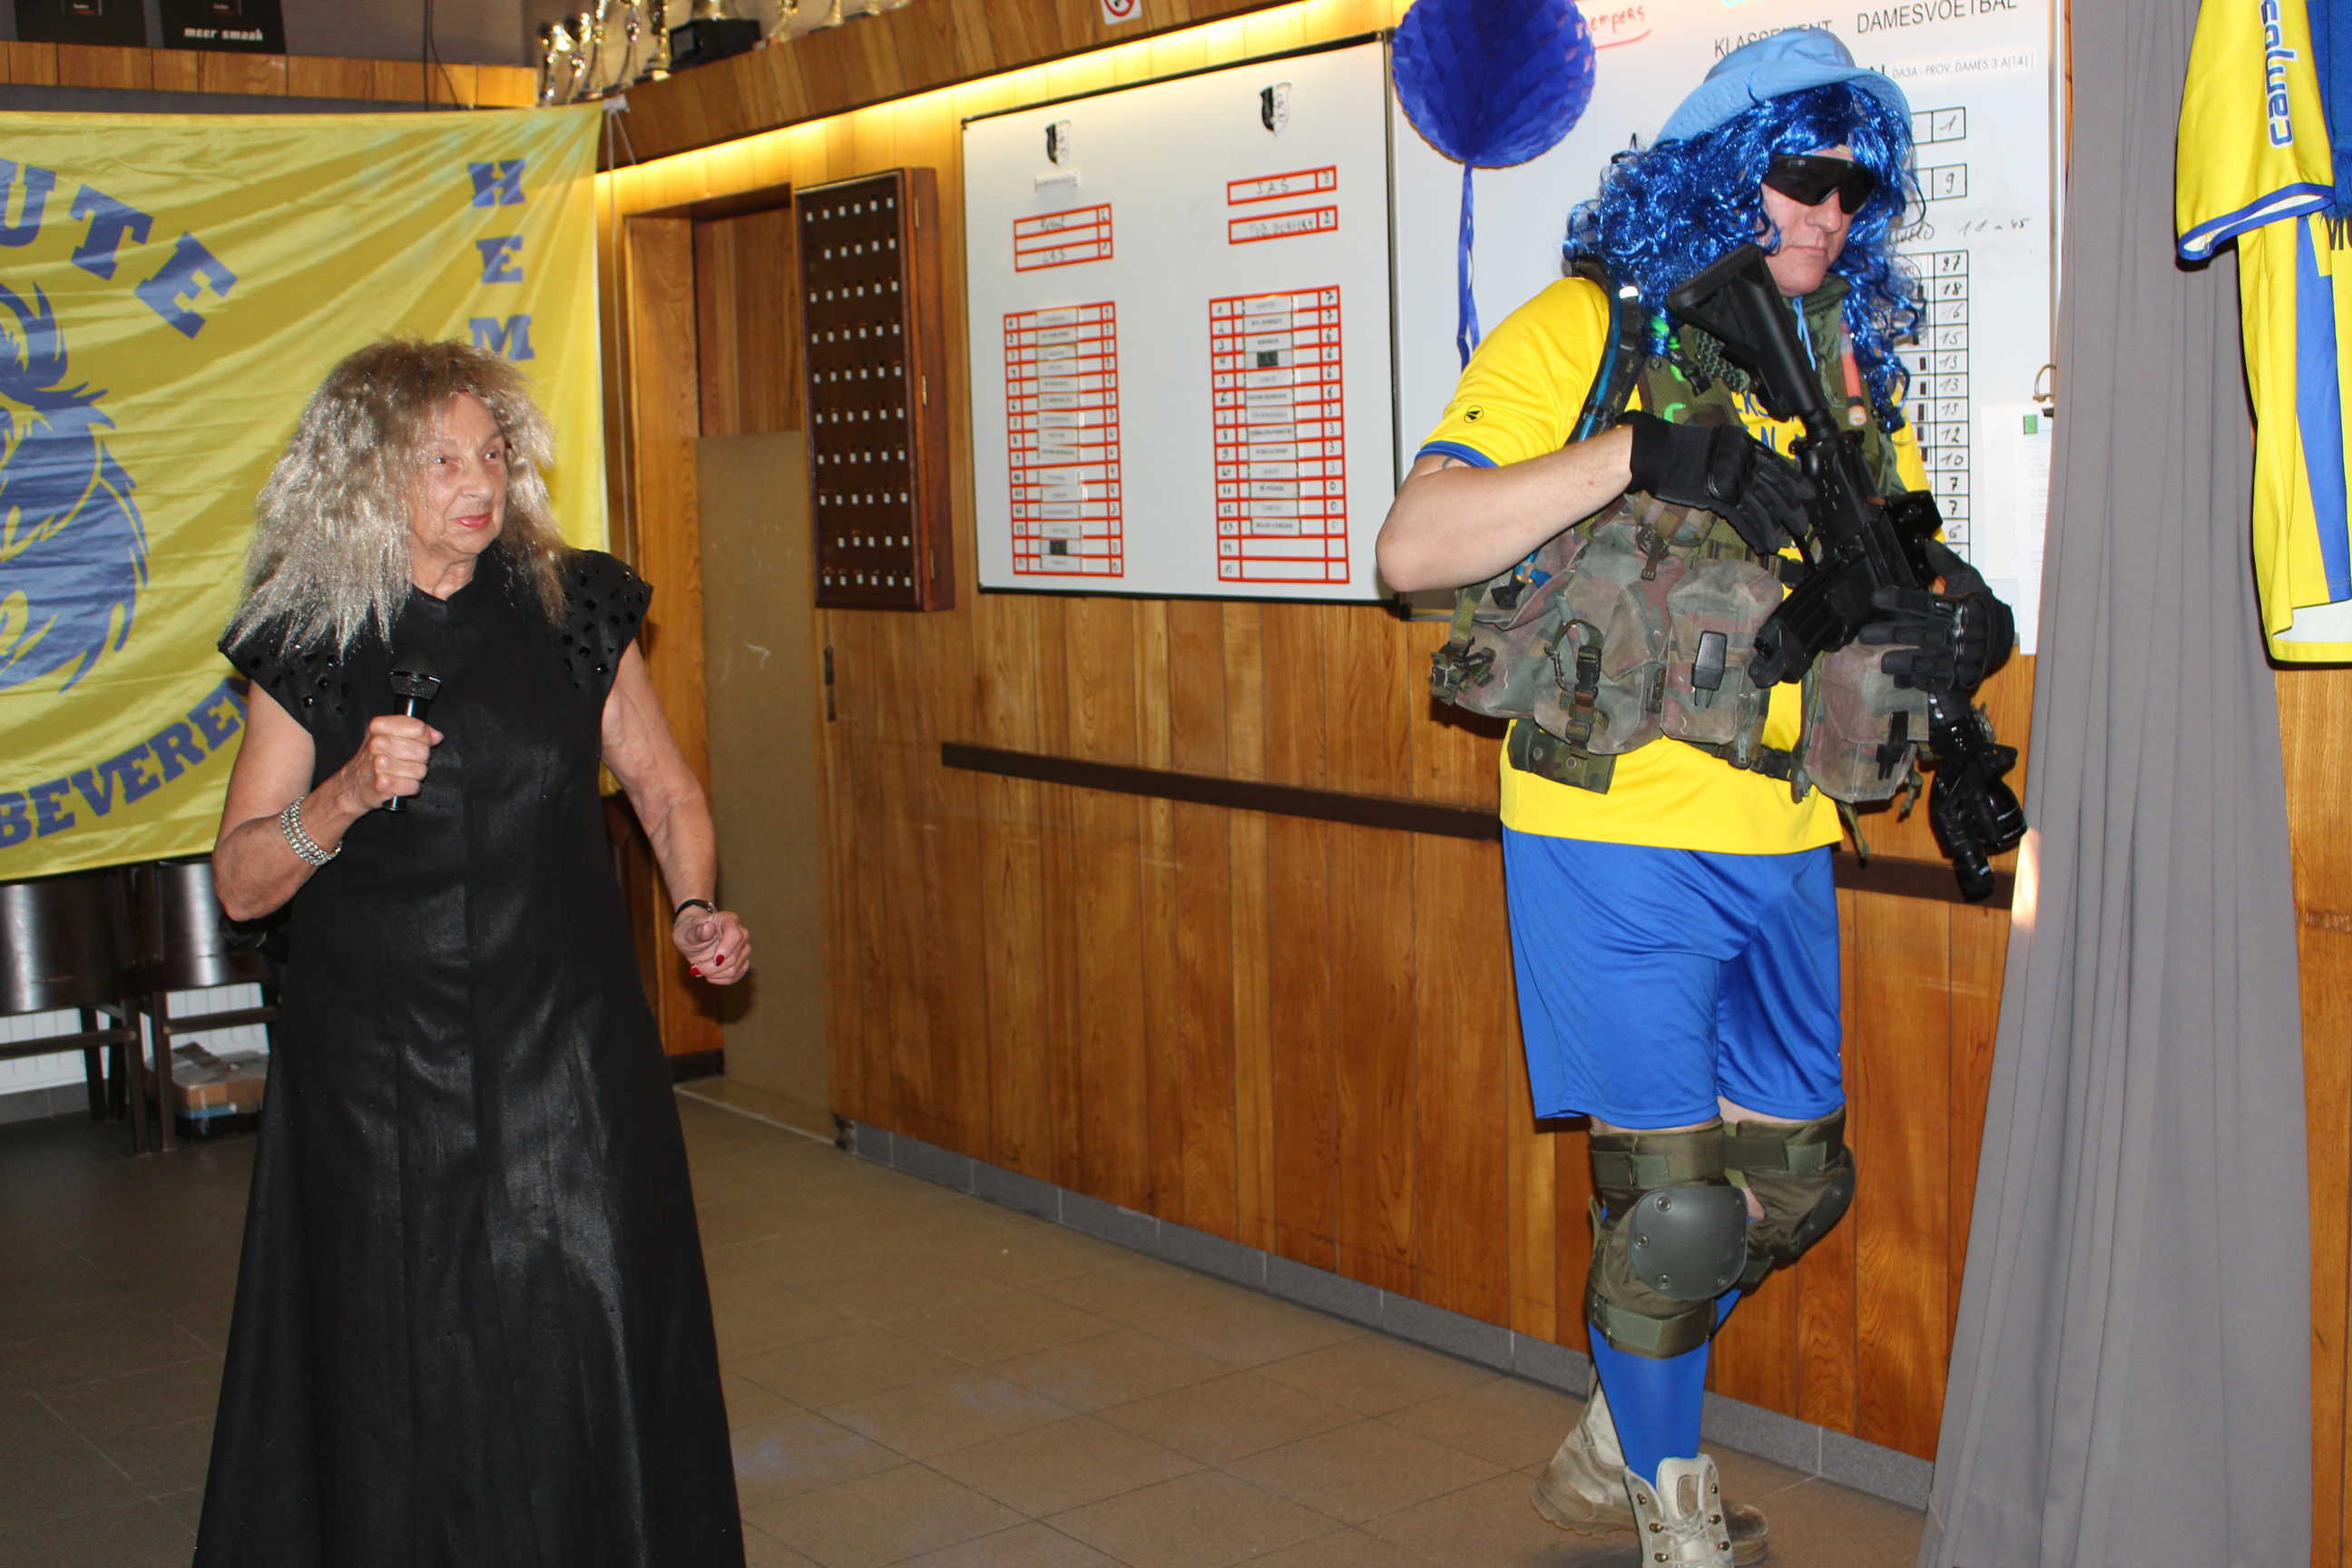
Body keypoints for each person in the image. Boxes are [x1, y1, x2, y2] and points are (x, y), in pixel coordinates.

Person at [1380, 29, 2006, 1568]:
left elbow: (1889, 562)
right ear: (1724, 173)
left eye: (1858, 192)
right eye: (1804, 178)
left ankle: (1617, 1425)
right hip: (1610, 831)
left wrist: (1960, 610)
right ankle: (1674, 1508)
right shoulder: (1584, 328)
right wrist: (1642, 451)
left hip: (1783, 829)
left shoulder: (1843, 369)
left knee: (1793, 1180)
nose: (1832, 215)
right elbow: (1414, 549)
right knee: (1673, 1210)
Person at [195, 339, 752, 1567]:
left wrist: (693, 907)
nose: (478, 482)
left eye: (491, 454)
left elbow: (665, 793)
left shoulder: (573, 608)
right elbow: (241, 882)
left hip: (565, 1042)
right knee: (406, 1346)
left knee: (584, 1316)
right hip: (378, 1065)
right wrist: (344, 794)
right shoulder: (311, 632)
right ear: (368, 473)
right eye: (441, 459)